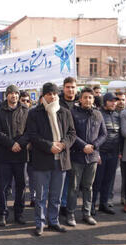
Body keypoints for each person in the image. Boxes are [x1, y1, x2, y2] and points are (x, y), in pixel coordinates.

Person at [26, 82, 76, 236]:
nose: (52, 96)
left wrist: (63, 144)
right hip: (42, 160)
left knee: (56, 195)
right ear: (44, 95)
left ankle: (53, 221)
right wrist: (49, 146)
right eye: (49, 93)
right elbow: (32, 136)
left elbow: (72, 133)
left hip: (61, 159)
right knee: (41, 195)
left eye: (54, 93)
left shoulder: (64, 112)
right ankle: (40, 223)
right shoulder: (35, 113)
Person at [66, 87, 107, 226]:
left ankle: (87, 213)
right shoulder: (73, 113)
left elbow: (103, 134)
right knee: (74, 187)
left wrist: (94, 146)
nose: (88, 100)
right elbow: (71, 133)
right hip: (77, 156)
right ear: (80, 99)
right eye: (85, 97)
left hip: (92, 157)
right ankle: (70, 214)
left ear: (93, 99)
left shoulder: (98, 114)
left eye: (90, 97)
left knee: (88, 187)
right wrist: (83, 145)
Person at [0, 85, 29, 226]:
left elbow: (29, 131)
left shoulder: (26, 110)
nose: (13, 96)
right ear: (7, 95)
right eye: (11, 93)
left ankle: (19, 214)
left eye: (16, 93)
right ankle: (2, 214)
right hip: (4, 155)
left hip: (21, 154)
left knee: (21, 186)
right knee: (2, 187)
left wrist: (19, 143)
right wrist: (10, 144)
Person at [91, 93, 120, 216]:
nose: (114, 103)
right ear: (105, 102)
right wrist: (96, 153)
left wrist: (120, 152)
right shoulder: (98, 114)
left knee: (108, 181)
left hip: (113, 153)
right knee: (97, 181)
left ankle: (104, 204)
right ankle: (91, 206)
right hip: (101, 153)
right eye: (111, 101)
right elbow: (94, 135)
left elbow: (120, 134)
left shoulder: (117, 115)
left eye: (115, 101)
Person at [58, 77, 79, 217]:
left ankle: (69, 204)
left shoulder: (81, 102)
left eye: (73, 87)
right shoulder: (57, 103)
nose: (70, 90)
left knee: (74, 180)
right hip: (62, 145)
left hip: (78, 146)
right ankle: (61, 204)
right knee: (61, 179)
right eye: (68, 87)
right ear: (63, 88)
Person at [115, 91, 126, 204]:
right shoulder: (111, 114)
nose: (121, 102)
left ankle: (124, 198)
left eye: (123, 100)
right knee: (110, 175)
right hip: (113, 149)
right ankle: (107, 198)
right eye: (118, 99)